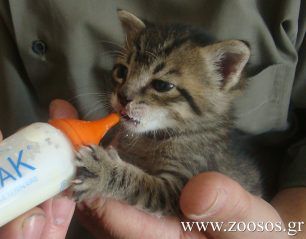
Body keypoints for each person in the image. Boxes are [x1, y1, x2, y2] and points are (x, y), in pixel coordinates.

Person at [0, 0, 305, 238]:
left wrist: (110, 177)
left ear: (224, 74)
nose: (126, 94)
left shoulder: (198, 143)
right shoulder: (141, 125)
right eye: (122, 72)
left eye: (162, 85)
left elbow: (173, 197)